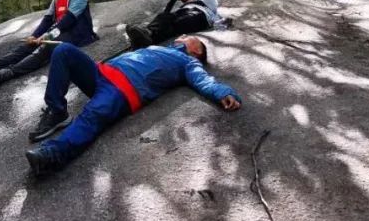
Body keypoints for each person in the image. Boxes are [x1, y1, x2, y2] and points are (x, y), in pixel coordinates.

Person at [24, 36, 241, 175]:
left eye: (188, 38)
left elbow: (203, 79)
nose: (182, 37)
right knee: (64, 50)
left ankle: (52, 156)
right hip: (101, 73)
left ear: (197, 51)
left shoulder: (189, 62)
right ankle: (58, 111)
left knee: (92, 115)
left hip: (122, 89)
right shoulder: (159, 46)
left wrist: (223, 92)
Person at [124, 0, 221, 49]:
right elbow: (166, 13)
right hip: (188, 16)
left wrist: (182, 0)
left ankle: (146, 36)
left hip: (201, 15)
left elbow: (211, 5)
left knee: (175, 22)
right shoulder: (183, 7)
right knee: (164, 19)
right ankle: (147, 36)